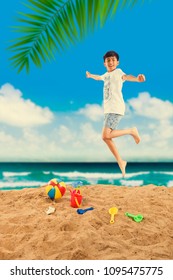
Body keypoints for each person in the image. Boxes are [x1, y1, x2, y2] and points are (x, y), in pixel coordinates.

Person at [86, 50, 145, 177]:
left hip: (115, 108)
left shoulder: (118, 73)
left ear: (117, 62)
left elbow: (127, 77)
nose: (111, 62)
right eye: (108, 60)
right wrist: (90, 75)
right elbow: (99, 77)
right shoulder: (105, 75)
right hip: (108, 110)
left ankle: (131, 131)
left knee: (105, 136)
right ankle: (121, 161)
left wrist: (137, 79)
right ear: (104, 63)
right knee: (106, 137)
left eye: (113, 60)